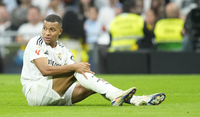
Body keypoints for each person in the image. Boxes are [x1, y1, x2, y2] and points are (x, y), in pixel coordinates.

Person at [20, 14, 166, 106]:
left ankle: (136, 100)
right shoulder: (35, 42)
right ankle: (119, 95)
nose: (47, 33)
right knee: (75, 69)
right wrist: (77, 67)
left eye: (52, 29)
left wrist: (81, 70)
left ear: (60, 32)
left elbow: (75, 71)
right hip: (35, 93)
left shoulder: (63, 50)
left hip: (57, 94)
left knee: (99, 83)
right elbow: (45, 71)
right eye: (45, 28)